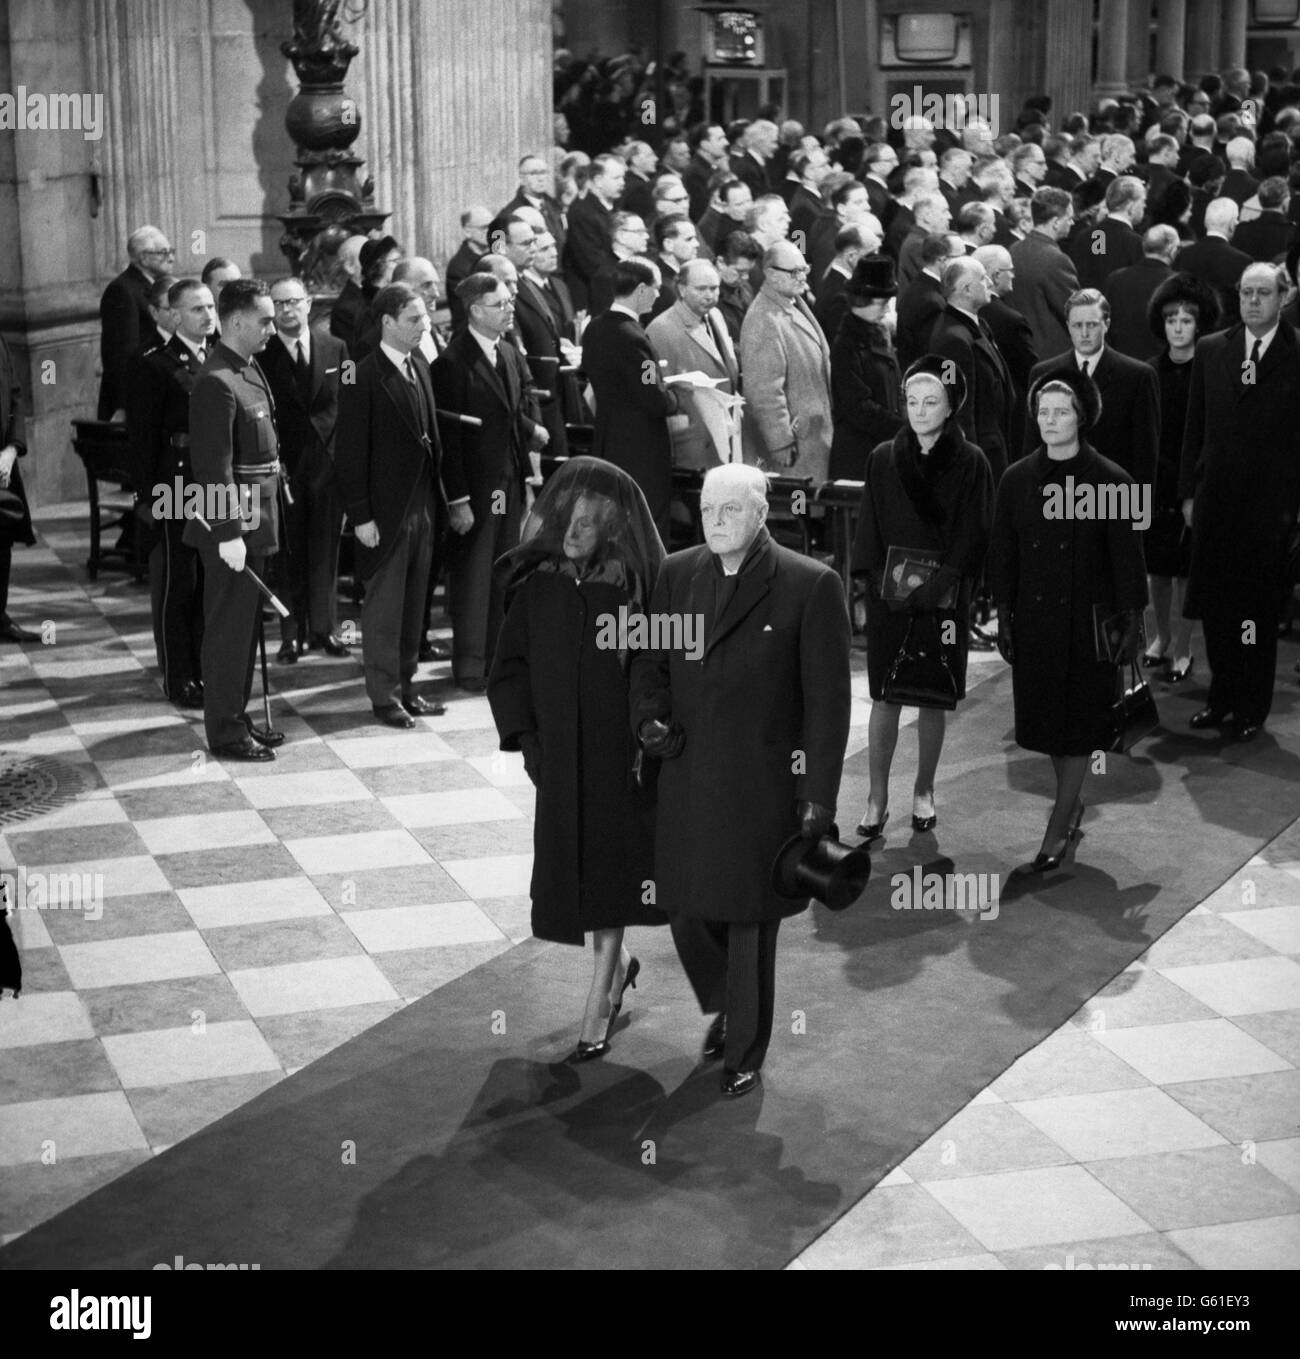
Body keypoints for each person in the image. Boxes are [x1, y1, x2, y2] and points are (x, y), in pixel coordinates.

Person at [629, 462, 851, 1098]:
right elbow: (650, 661)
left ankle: (744, 1049)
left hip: (764, 787)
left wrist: (816, 796)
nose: (716, 521)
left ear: (761, 513)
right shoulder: (675, 575)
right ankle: (731, 1002)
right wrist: (647, 719)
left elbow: (827, 705)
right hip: (689, 776)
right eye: (706, 509)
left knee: (751, 919)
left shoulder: (811, 586)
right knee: (683, 907)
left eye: (730, 510)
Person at [489, 459, 667, 1062]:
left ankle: (596, 1007)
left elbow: (652, 667)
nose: (576, 529)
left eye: (591, 520)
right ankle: (614, 974)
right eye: (572, 516)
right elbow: (509, 668)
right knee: (579, 874)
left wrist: (648, 728)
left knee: (613, 878)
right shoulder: (538, 583)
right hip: (559, 765)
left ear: (613, 525)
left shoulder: (632, 588)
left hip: (620, 762)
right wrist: (527, 740)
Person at [988, 368, 1148, 871]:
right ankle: (1070, 803)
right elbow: (1004, 555)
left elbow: (1128, 562)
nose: (1050, 420)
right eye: (1043, 411)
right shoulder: (1016, 480)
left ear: (1082, 415)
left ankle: (1058, 827)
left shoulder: (1112, 480)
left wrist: (1131, 625)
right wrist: (1004, 617)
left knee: (1079, 727)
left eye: (1061, 411)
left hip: (1089, 629)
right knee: (1048, 726)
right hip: (1035, 624)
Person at [849, 357, 993, 840]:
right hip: (890, 597)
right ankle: (875, 798)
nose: (920, 410)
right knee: (885, 696)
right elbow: (868, 526)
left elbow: (975, 532)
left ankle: (924, 790)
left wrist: (940, 585)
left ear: (951, 407)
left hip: (945, 597)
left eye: (931, 402)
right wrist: (872, 585)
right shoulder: (883, 457)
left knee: (934, 695)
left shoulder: (972, 461)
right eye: (912, 401)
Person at [1179, 262, 1300, 742]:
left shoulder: (1297, 353)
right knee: (1217, 609)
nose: (1252, 301)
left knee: (1256, 612)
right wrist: (1188, 493)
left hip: (1271, 507)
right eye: (1246, 293)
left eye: (1263, 293)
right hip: (1216, 501)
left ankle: (1252, 704)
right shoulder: (1212, 349)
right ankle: (1220, 697)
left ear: (1282, 298)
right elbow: (1195, 425)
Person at [335, 282, 447, 727]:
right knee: (384, 609)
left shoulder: (418, 365)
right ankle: (384, 696)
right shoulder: (361, 375)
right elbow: (349, 454)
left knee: (414, 604)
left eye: (423, 317)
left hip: (422, 506)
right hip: (385, 511)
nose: (424, 326)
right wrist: (360, 515)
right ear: (387, 322)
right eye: (413, 319)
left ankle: (407, 684)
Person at [181, 278, 284, 761]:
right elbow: (212, 468)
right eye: (264, 319)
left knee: (246, 629)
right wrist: (228, 533)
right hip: (232, 527)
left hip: (258, 516)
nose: (272, 326)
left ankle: (238, 718)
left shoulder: (247, 368)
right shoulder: (215, 381)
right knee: (227, 630)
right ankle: (224, 731)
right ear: (237, 321)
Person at [432, 274, 545, 692]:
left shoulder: (510, 354)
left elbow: (513, 414)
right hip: (477, 489)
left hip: (507, 483)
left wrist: (530, 442)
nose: (509, 309)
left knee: (503, 571)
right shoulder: (451, 363)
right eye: (500, 304)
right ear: (476, 310)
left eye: (509, 302)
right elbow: (450, 438)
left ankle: (499, 657)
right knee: (474, 576)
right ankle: (469, 665)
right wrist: (458, 499)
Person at [126, 278, 215, 703]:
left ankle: (205, 667)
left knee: (209, 583)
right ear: (175, 315)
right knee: (179, 584)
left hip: (216, 485)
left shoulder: (221, 357)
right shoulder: (155, 364)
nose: (208, 316)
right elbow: (141, 438)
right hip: (174, 487)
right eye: (198, 309)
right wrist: (145, 498)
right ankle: (178, 674)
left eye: (212, 307)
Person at [260, 276, 350, 663]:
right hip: (286, 467)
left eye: (293, 302)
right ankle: (291, 634)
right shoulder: (262, 355)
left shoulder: (336, 347)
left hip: (328, 465)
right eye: (278, 304)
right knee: (289, 554)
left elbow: (349, 401)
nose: (286, 310)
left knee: (326, 551)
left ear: (308, 303)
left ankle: (325, 630)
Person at [1144, 273, 1218, 686]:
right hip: (1156, 480)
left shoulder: (1211, 370)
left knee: (1188, 568)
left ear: (1199, 323)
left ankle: (1185, 646)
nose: (1177, 327)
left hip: (1195, 479)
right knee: (1157, 566)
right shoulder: (1150, 371)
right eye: (1171, 319)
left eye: (1186, 320)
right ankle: (1162, 636)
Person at [580, 259, 684, 539]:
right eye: (656, 288)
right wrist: (675, 397)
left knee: (612, 525)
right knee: (645, 525)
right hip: (642, 449)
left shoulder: (594, 328)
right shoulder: (634, 337)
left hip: (607, 441)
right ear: (640, 290)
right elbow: (654, 397)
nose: (659, 295)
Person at [1022, 289, 1160, 489]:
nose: (1084, 333)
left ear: (1107, 325)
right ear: (1068, 327)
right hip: (1056, 496)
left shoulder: (1138, 376)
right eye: (1078, 325)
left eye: (1092, 325)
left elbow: (1145, 454)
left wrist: (1140, 512)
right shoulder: (1043, 373)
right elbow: (1032, 446)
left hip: (1112, 498)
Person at [740, 240, 833, 483]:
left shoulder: (794, 303)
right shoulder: (764, 318)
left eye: (805, 270)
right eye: (794, 272)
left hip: (812, 435)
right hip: (794, 443)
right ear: (770, 274)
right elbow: (763, 389)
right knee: (799, 511)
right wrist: (780, 442)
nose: (802, 277)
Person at [645, 259, 740, 470]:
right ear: (682, 289)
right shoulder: (661, 329)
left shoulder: (715, 315)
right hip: (691, 440)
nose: (709, 295)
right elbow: (658, 390)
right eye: (701, 289)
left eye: (714, 288)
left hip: (724, 431)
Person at [827, 255, 904, 481]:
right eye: (882, 304)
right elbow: (857, 406)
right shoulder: (846, 344)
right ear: (861, 301)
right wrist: (902, 428)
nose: (887, 310)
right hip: (859, 451)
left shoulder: (879, 332)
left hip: (884, 443)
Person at [98, 225, 175, 421]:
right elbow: (120, 356)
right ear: (143, 258)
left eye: (171, 251)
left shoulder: (155, 287)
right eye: (163, 253)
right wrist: (123, 405)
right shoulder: (122, 291)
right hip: (132, 401)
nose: (171, 258)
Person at [0, 330, 35, 642]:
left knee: (2, 540)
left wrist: (12, 449)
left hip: (3, 462)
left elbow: (15, 395)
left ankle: (0, 616)